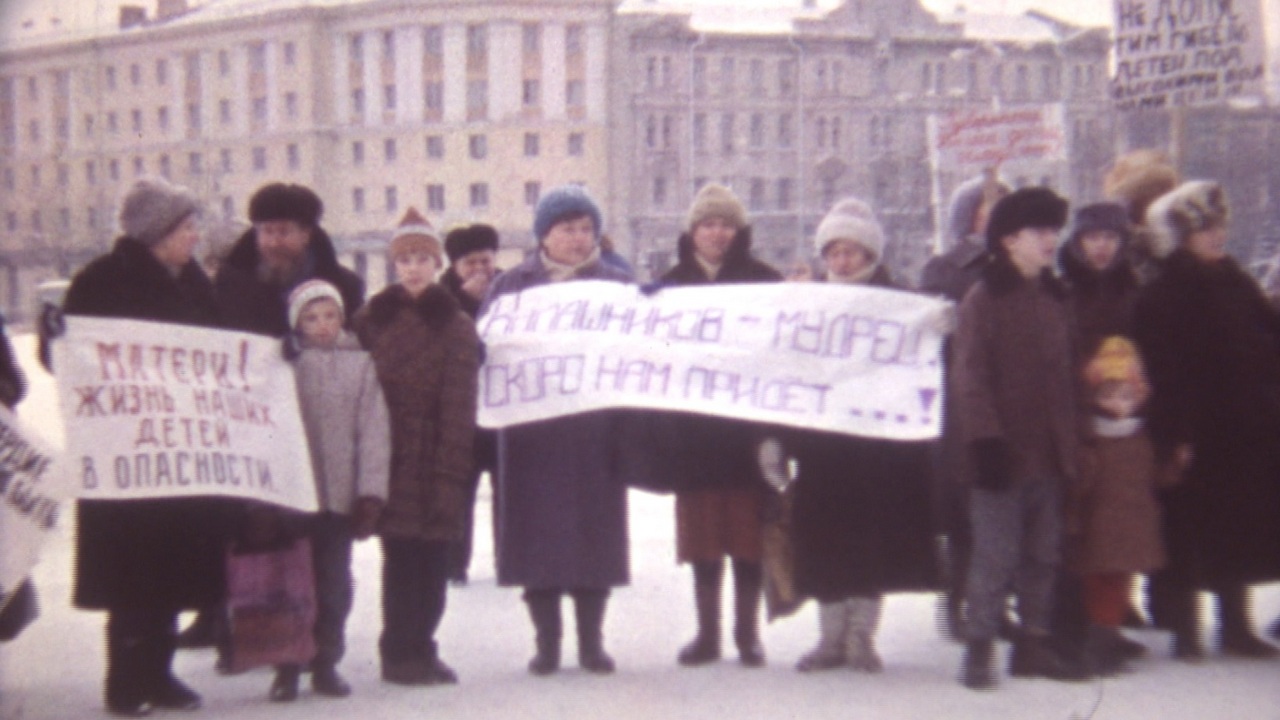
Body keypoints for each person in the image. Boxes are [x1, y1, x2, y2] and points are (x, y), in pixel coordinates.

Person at [62, 177, 232, 716]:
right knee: (133, 574)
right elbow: (72, 362)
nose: (195, 236)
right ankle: (125, 681)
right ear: (157, 233)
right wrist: (55, 338)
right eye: (186, 227)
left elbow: (223, 349)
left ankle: (159, 674)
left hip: (180, 451)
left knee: (174, 569)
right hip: (127, 456)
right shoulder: (102, 281)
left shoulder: (196, 282)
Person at [180, 182, 367, 653]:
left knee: (326, 556)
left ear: (306, 233)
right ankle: (243, 640)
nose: (272, 241)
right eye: (265, 231)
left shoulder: (345, 286)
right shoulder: (230, 282)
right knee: (251, 546)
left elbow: (358, 356)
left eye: (283, 231)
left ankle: (323, 647)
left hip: (320, 443)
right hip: (249, 440)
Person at [773, 199, 937, 673]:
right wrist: (777, 438)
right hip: (824, 449)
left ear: (871, 256)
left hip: (877, 448)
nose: (842, 262)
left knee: (870, 543)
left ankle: (862, 636)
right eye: (834, 253)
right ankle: (830, 638)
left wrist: (935, 329)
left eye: (852, 252)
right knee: (823, 542)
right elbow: (784, 372)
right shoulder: (810, 306)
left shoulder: (900, 304)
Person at [482, 185, 633, 676]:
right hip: (533, 434)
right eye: (567, 228)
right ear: (544, 235)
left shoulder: (616, 282)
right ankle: (546, 643)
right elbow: (487, 347)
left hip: (594, 431)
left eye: (586, 228)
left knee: (595, 535)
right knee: (537, 538)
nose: (577, 237)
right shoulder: (512, 285)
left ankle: (593, 642)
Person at [1131, 180, 1280, 660]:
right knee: (1186, 527)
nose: (1217, 236)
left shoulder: (1234, 278)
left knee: (1236, 526)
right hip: (1192, 430)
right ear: (1180, 236)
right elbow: (1163, 370)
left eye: (1219, 226)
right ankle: (1186, 629)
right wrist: (1173, 433)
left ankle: (1235, 625)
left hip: (1244, 429)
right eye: (1204, 229)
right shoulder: (1163, 293)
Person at [953, 187, 1087, 690]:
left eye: (1055, 230)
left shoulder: (1055, 297)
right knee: (995, 557)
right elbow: (971, 378)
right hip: (1001, 458)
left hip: (1050, 455)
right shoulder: (984, 298)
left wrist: (1075, 440)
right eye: (1040, 232)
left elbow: (1069, 374)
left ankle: (1032, 644)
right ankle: (979, 648)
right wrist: (985, 442)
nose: (1052, 240)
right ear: (1010, 240)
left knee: (1044, 555)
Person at [354, 208, 479, 685]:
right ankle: (398, 653)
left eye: (423, 258)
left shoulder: (455, 323)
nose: (413, 267)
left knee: (434, 562)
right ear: (393, 264)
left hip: (436, 455)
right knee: (399, 559)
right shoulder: (372, 318)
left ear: (436, 263)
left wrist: (452, 468)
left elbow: (460, 404)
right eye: (404, 258)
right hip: (387, 455)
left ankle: (423, 646)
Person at [659, 183, 781, 668]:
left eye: (726, 224)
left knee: (749, 540)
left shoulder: (765, 282)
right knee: (703, 541)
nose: (717, 233)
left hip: (748, 432)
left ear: (740, 231)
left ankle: (747, 635)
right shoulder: (668, 286)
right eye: (708, 224)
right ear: (692, 232)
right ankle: (707, 635)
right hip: (693, 435)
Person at [268, 280, 391, 702]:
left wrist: (369, 493)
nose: (321, 325)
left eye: (330, 315)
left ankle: (326, 661)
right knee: (289, 584)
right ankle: (287, 665)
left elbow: (374, 432)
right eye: (311, 317)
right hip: (291, 496)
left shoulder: (361, 364)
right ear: (296, 322)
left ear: (342, 317)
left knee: (333, 584)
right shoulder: (283, 364)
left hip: (338, 499)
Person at [918, 171, 1010, 641]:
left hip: (1012, 401)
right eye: (984, 207)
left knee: (1004, 508)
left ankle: (996, 603)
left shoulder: (1023, 266)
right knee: (963, 511)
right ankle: (956, 599)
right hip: (958, 405)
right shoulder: (945, 267)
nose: (993, 216)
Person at [1067, 337, 1171, 675]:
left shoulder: (1140, 437)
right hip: (1099, 528)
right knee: (1101, 587)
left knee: (1121, 584)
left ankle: (1108, 636)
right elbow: (1079, 486)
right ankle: (1099, 642)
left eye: (1125, 396)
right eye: (1108, 395)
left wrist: (1175, 467)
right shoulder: (1091, 439)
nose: (1117, 404)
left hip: (1132, 526)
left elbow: (1153, 478)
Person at [439, 223, 502, 585]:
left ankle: (508, 560)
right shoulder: (442, 295)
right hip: (462, 414)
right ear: (455, 267)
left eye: (486, 261)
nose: (481, 271)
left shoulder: (510, 287)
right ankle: (454, 564)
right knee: (459, 493)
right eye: (471, 264)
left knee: (507, 493)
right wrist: (466, 299)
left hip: (504, 408)